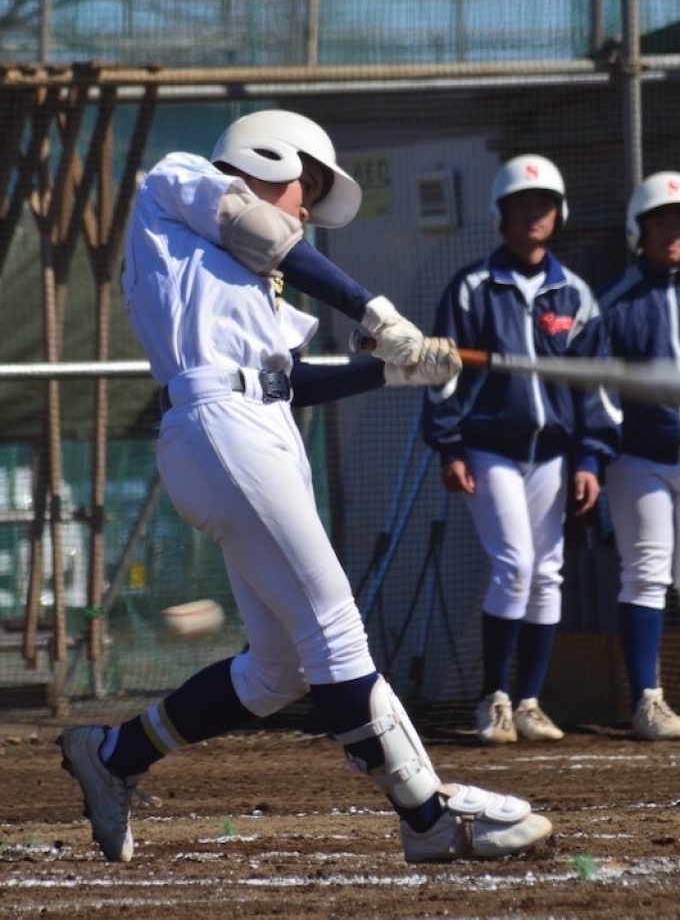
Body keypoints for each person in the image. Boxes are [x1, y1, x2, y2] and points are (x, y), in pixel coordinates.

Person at [57, 110, 552, 864]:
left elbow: (290, 381)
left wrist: (392, 370)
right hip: (223, 426)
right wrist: (375, 310)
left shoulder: (244, 280)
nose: (306, 210)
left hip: (257, 427)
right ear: (264, 158)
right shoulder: (180, 181)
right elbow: (254, 226)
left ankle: (113, 754)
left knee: (279, 668)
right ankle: (428, 816)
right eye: (306, 188)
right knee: (334, 629)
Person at [421, 154, 620, 745]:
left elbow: (596, 386)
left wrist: (590, 458)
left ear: (559, 214)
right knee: (515, 565)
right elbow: (441, 372)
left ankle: (529, 702)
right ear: (501, 215)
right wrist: (450, 449)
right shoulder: (472, 288)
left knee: (547, 574)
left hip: (554, 454)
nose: (534, 214)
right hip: (489, 449)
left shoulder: (574, 294)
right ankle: (494, 699)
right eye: (522, 205)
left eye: (544, 205)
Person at [599, 171, 680, 740]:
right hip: (638, 459)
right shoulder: (616, 300)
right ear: (639, 230)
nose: (672, 232)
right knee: (647, 573)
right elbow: (596, 389)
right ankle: (647, 701)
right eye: (661, 222)